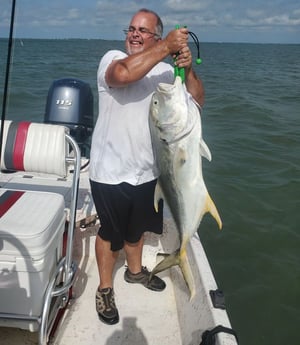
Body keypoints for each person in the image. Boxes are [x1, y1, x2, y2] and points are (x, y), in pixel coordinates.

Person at [89, 8, 204, 325]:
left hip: (150, 173)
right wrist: (166, 47)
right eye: (131, 29)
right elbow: (123, 75)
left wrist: (188, 70)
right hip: (109, 171)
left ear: (155, 34)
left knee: (136, 230)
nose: (135, 34)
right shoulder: (112, 58)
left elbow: (196, 102)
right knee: (111, 234)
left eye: (143, 30)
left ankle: (135, 272)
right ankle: (105, 287)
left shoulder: (166, 74)